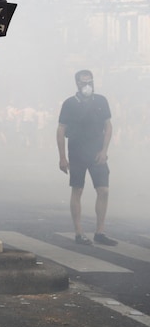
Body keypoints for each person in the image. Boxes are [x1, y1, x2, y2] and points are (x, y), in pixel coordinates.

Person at [56, 69, 117, 246]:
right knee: (78, 189)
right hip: (76, 151)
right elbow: (61, 130)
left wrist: (104, 150)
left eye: (90, 81)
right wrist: (62, 157)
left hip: (97, 151)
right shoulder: (69, 103)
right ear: (77, 84)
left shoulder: (101, 101)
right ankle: (79, 232)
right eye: (83, 82)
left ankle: (100, 231)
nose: (87, 85)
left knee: (103, 190)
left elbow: (108, 126)